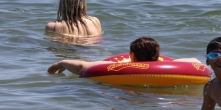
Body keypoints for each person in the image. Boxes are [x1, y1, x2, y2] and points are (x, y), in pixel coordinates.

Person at [47, 37, 200, 75]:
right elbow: (194, 61)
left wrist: (61, 63)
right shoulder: (169, 66)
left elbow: (82, 67)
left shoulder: (120, 66)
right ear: (158, 55)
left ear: (131, 56)